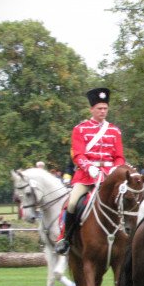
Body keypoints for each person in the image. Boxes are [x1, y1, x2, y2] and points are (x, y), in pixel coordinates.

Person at [55, 87, 125, 255]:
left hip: (109, 176)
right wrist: (90, 167)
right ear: (91, 109)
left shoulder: (114, 131)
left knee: (128, 199)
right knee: (71, 203)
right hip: (86, 176)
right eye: (99, 108)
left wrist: (115, 168)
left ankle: (130, 237)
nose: (102, 111)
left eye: (105, 108)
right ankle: (65, 238)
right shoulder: (80, 129)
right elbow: (78, 155)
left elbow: (119, 156)